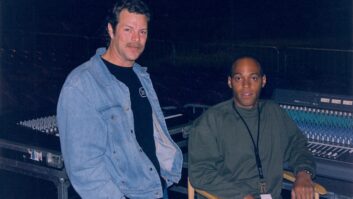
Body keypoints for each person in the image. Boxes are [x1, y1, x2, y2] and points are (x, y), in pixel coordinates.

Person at [56, 1, 183, 198]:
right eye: (128, 29)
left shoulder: (140, 75)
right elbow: (84, 168)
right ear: (111, 30)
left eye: (143, 31)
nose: (136, 39)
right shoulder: (82, 84)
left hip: (156, 188)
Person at [188, 56, 316, 199]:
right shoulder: (211, 120)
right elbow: (200, 172)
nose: (246, 85)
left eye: (253, 78)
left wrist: (304, 173)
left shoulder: (274, 112)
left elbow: (297, 145)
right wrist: (242, 196)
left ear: (263, 81)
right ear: (230, 82)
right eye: (238, 78)